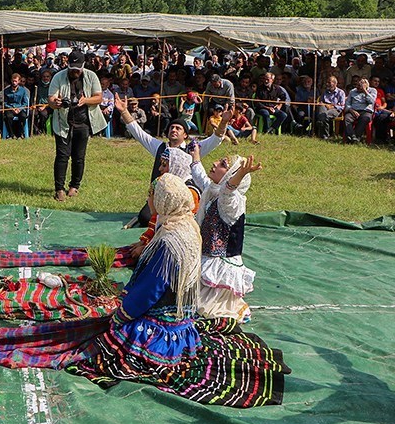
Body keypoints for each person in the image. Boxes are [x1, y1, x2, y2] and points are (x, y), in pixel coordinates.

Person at [64, 173, 290, 406]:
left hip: (159, 332)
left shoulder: (168, 241)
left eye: (151, 195)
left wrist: (122, 315)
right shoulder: (188, 226)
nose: (149, 200)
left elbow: (150, 291)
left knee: (102, 346)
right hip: (184, 325)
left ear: (163, 201)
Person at [115, 93, 228, 228]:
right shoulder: (160, 147)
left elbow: (215, 139)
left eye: (178, 128)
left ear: (185, 135)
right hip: (162, 193)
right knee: (145, 218)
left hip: (184, 195)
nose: (174, 130)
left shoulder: (193, 149)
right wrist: (124, 111)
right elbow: (139, 133)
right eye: (172, 128)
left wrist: (224, 122)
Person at [190, 144, 260, 323]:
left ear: (230, 175)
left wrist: (240, 174)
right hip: (207, 258)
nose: (214, 163)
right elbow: (201, 178)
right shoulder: (213, 190)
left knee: (204, 309)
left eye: (222, 163)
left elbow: (228, 190)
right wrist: (196, 157)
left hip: (220, 265)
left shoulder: (232, 203)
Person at [47, 50, 107, 202]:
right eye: (72, 67)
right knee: (62, 156)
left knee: (79, 157)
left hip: (84, 122)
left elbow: (99, 98)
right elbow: (51, 99)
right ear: (68, 65)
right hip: (63, 122)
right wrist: (56, 103)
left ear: (83, 65)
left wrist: (85, 100)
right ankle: (59, 189)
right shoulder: (58, 77)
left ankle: (74, 186)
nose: (75, 71)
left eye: (77, 68)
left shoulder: (91, 76)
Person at [343, 77, 376, 143]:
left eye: (360, 86)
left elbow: (372, 101)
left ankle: (353, 137)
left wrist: (365, 91)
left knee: (365, 118)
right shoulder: (352, 91)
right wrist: (351, 110)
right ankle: (354, 137)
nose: (357, 87)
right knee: (347, 118)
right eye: (357, 85)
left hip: (366, 111)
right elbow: (347, 103)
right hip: (353, 110)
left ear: (366, 85)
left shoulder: (372, 90)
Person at [2, 72, 30, 139]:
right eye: (13, 81)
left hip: (19, 108)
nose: (14, 83)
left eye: (16, 81)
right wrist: (11, 108)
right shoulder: (6, 91)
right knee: (8, 116)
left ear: (19, 81)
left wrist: (19, 109)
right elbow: (5, 103)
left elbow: (25, 102)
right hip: (10, 108)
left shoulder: (23, 90)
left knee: (23, 116)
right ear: (11, 81)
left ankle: (20, 134)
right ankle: (11, 134)